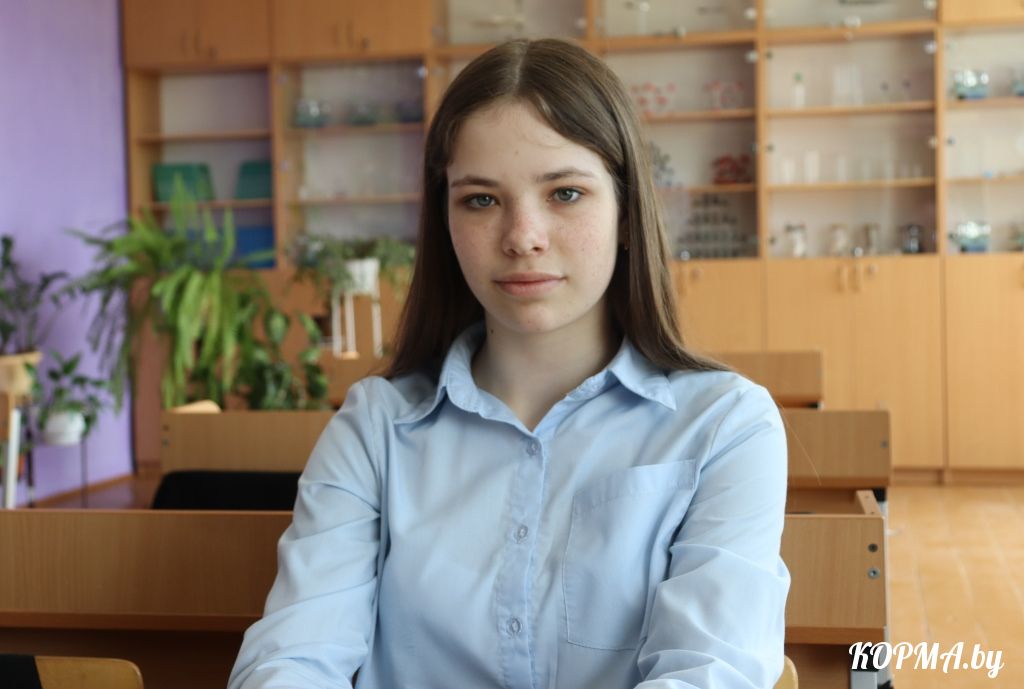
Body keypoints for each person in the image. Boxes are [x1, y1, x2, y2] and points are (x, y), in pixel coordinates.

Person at [229, 37, 789, 689]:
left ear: (627, 212)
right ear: (445, 221)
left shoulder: (726, 425)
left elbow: (710, 673)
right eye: (481, 199)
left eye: (565, 193)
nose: (523, 236)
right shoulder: (374, 427)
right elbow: (292, 658)